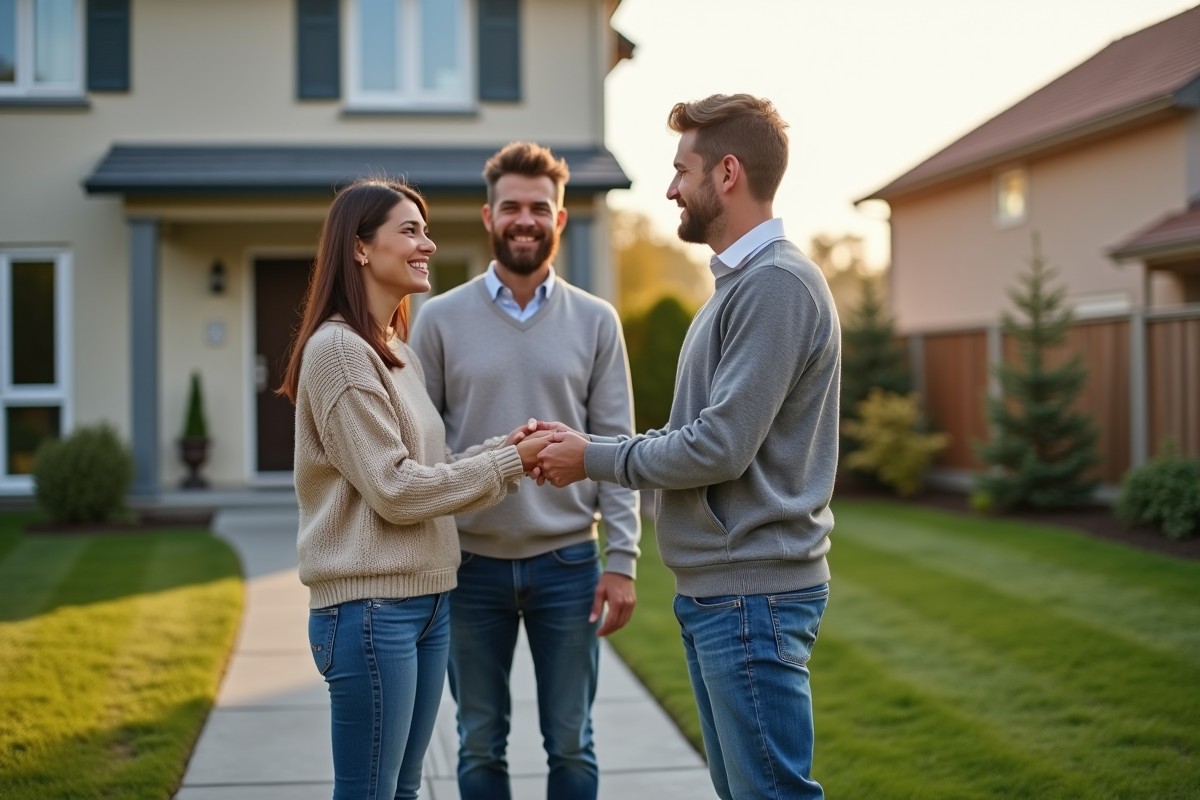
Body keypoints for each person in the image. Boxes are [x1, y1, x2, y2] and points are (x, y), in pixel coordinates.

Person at [535, 95, 841, 800]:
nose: (671, 187)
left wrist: (592, 456)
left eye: (683, 169)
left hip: (751, 595)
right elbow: (697, 435)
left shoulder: (776, 287)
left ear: (727, 173)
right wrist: (592, 447)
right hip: (723, 592)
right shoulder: (739, 286)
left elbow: (719, 448)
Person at [278, 178, 551, 800]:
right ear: (360, 248)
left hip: (426, 600)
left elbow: (428, 470)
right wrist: (511, 462)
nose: (426, 243)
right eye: (410, 230)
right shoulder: (340, 353)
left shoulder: (394, 349)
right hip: (371, 611)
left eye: (425, 230)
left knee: (403, 791)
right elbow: (396, 491)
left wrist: (507, 451)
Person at [410, 142, 640, 800]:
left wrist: (621, 560)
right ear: (488, 217)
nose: (525, 219)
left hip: (569, 564)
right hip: (469, 567)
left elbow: (617, 446)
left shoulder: (597, 321)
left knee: (572, 742)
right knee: (480, 742)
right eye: (511, 206)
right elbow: (424, 454)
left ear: (560, 220)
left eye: (540, 208)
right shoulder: (439, 320)